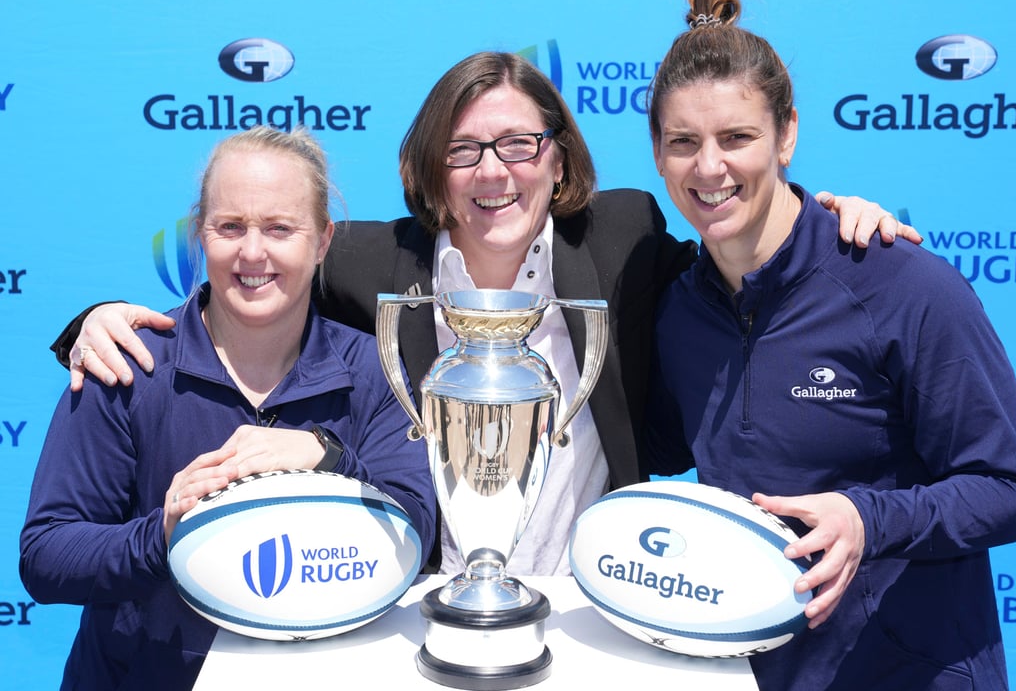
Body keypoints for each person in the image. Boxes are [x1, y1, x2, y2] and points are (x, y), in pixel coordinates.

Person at [49, 52, 919, 577]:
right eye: (464, 150)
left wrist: (831, 216)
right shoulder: (361, 259)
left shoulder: (625, 235)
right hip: (416, 611)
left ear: (556, 156)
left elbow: (748, 255)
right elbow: (248, 279)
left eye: (518, 145)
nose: (493, 172)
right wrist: (92, 319)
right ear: (432, 169)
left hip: (590, 607)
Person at [644, 0, 1016, 691]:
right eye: (683, 141)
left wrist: (867, 519)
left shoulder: (902, 284)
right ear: (658, 153)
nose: (711, 166)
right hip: (753, 673)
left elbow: (1008, 481)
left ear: (787, 135)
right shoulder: (676, 310)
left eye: (737, 135)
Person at [21, 126, 435, 690]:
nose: (252, 252)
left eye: (280, 228)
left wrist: (330, 459)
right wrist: (161, 534)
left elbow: (417, 527)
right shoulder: (127, 364)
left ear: (321, 242)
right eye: (230, 226)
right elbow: (46, 555)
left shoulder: (372, 368)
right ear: (201, 235)